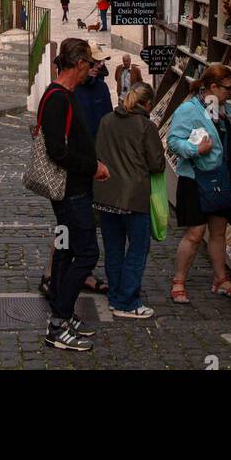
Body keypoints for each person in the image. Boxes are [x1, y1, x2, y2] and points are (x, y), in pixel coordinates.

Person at [40, 37, 110, 352]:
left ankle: (62, 318)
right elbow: (58, 151)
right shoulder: (58, 97)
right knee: (86, 255)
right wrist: (92, 167)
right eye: (90, 64)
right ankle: (58, 322)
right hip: (72, 193)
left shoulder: (64, 95)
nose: (92, 70)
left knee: (67, 253)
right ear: (79, 64)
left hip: (72, 191)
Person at [167, 63, 231, 302]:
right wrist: (195, 148)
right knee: (196, 232)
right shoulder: (189, 109)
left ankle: (220, 279)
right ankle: (178, 281)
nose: (230, 93)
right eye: (227, 88)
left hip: (221, 177)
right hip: (196, 179)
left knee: (219, 231)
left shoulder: (223, 109)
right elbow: (173, 141)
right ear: (212, 86)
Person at [94, 81, 166, 319]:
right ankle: (127, 301)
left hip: (106, 194)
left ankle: (116, 296)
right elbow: (157, 164)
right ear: (146, 104)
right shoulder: (145, 126)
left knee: (113, 248)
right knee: (137, 248)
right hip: (133, 197)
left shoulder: (106, 121)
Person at [74, 48, 113, 139]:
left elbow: (109, 118)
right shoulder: (72, 88)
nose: (99, 66)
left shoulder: (102, 87)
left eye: (101, 62)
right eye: (95, 61)